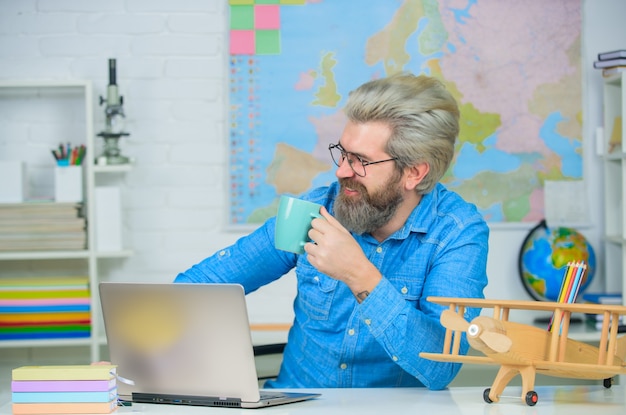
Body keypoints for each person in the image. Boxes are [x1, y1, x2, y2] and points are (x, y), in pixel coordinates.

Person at [175, 73, 489, 390]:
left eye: (361, 161)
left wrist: (359, 274)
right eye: (343, 153)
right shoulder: (314, 211)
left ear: (414, 172)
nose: (341, 171)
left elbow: (441, 367)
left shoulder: (458, 234)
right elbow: (201, 287)